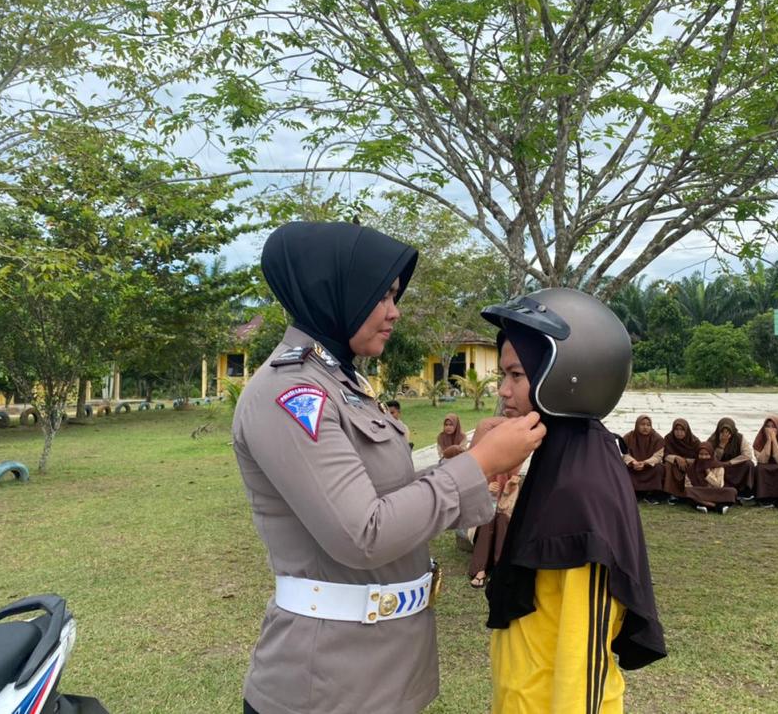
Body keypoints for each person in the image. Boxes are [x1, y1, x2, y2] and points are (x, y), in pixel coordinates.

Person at [232, 221, 545, 714]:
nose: (395, 312)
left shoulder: (344, 383)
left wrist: (472, 465)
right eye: (383, 296)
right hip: (329, 683)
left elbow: (383, 494)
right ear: (336, 291)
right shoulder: (290, 393)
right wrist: (480, 463)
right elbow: (363, 532)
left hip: (382, 667)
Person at [481, 288, 667, 714]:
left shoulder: (583, 492)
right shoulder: (557, 460)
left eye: (516, 375)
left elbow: (583, 659)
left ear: (566, 377)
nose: (504, 392)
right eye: (502, 377)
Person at [468, 469, 522, 588]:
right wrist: (486, 492)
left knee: (501, 518)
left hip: (503, 533)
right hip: (481, 529)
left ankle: (499, 568)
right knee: (489, 519)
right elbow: (472, 510)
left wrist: (507, 490)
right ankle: (480, 569)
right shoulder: (478, 480)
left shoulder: (513, 481)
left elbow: (508, 511)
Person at [706, 417, 755, 502]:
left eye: (728, 432)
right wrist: (722, 445)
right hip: (719, 466)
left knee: (749, 464)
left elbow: (748, 454)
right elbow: (710, 458)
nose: (725, 434)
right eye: (723, 431)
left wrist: (730, 462)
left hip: (734, 465)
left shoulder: (739, 438)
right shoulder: (713, 439)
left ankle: (745, 492)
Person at [621, 415, 666, 502]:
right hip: (633, 466)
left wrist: (645, 463)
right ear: (637, 425)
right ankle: (633, 491)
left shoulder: (657, 438)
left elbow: (658, 456)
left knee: (659, 468)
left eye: (648, 425)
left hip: (648, 467)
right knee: (622, 467)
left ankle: (652, 493)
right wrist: (633, 462)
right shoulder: (629, 437)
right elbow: (623, 453)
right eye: (642, 424)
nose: (645, 427)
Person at [684, 443, 738, 514]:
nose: (703, 457)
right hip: (699, 492)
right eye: (701, 454)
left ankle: (702, 505)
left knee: (732, 492)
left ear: (711, 455)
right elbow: (688, 485)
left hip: (714, 492)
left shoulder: (718, 467)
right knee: (688, 491)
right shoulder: (692, 468)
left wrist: (708, 472)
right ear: (697, 455)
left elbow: (719, 485)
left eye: (706, 454)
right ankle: (717, 506)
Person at [662, 418, 701, 503]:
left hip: (689, 466)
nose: (679, 432)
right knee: (669, 464)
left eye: (682, 430)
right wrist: (676, 458)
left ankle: (689, 493)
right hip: (674, 466)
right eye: (676, 430)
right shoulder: (669, 439)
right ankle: (671, 494)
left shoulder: (694, 441)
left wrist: (686, 460)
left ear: (687, 430)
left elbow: (701, 458)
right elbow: (664, 455)